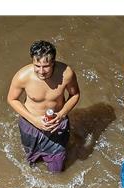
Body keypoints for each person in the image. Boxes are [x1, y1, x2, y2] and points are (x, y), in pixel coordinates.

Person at [6, 40, 81, 174]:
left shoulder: (67, 74)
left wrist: (62, 114)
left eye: (46, 66)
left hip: (57, 123)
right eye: (37, 65)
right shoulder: (22, 76)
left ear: (53, 62)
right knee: (32, 163)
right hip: (31, 124)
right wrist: (34, 120)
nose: (41, 71)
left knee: (57, 169)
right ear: (32, 61)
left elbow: (74, 95)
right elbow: (12, 99)